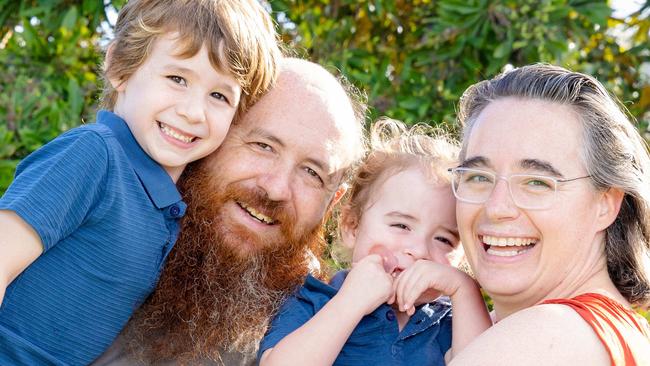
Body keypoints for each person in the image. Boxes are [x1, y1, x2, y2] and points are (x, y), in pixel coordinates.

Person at [0, 0, 280, 364]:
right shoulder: (95, 155)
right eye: (177, 79)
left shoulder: (169, 204)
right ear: (120, 67)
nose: (192, 112)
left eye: (219, 96)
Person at [91, 57, 367, 365]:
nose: (276, 189)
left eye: (312, 172)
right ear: (213, 134)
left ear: (331, 203)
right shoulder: (96, 219)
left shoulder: (322, 328)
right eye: (263, 146)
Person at [446, 63, 650, 365]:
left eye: (537, 182)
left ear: (605, 204)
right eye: (478, 177)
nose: (496, 207)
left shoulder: (549, 336)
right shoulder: (620, 333)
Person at [258, 119, 491, 366]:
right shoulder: (313, 301)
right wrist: (351, 302)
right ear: (352, 226)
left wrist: (463, 289)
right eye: (401, 225)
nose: (420, 250)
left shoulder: (449, 322)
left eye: (444, 239)